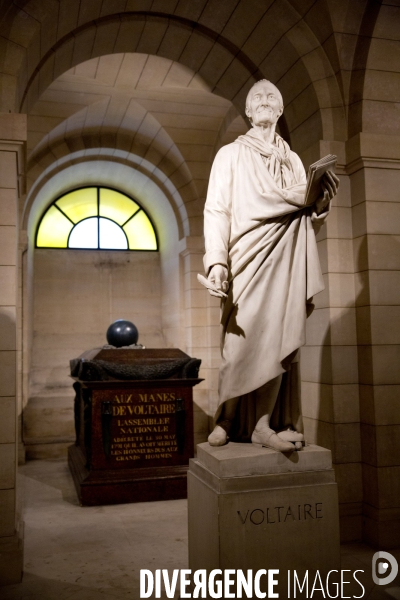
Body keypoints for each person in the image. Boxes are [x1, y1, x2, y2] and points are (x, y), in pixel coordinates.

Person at [203, 79, 339, 452]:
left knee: (280, 340)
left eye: (271, 98)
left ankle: (263, 424)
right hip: (246, 257)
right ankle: (226, 419)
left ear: (279, 110)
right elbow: (217, 209)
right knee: (239, 343)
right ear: (248, 111)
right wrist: (216, 261)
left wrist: (321, 202)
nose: (264, 101)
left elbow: (304, 217)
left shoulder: (292, 159)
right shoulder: (230, 155)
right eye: (257, 98)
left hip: (286, 258)